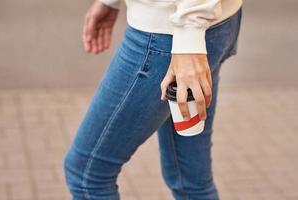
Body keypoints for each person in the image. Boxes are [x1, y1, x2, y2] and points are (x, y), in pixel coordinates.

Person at [63, 0, 243, 199]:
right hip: (208, 23)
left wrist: (189, 33)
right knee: (191, 183)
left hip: (170, 37)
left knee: (86, 176)